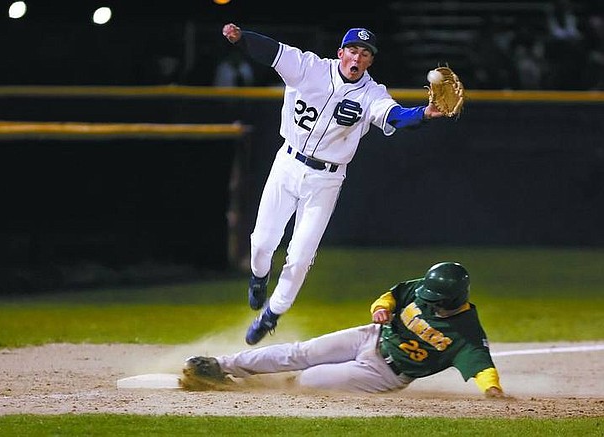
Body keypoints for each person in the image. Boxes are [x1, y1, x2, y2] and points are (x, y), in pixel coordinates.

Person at [221, 23, 448, 345]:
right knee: (261, 242)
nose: (358, 57)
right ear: (341, 53)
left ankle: (272, 313)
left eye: (365, 53)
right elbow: (272, 52)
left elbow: (395, 116)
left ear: (370, 61)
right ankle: (259, 277)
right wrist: (241, 38)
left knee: (300, 255)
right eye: (353, 50)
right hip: (287, 163)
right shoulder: (309, 68)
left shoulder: (372, 93)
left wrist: (424, 113)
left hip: (326, 179)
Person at [180, 262, 505, 398]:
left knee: (307, 381)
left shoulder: (467, 333)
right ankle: (220, 366)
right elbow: (392, 296)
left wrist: (492, 389)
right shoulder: (424, 288)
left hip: (385, 373)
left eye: (435, 301)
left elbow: (482, 366)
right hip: (371, 335)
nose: (427, 302)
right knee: (301, 352)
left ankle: (239, 388)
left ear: (455, 299)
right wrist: (381, 308)